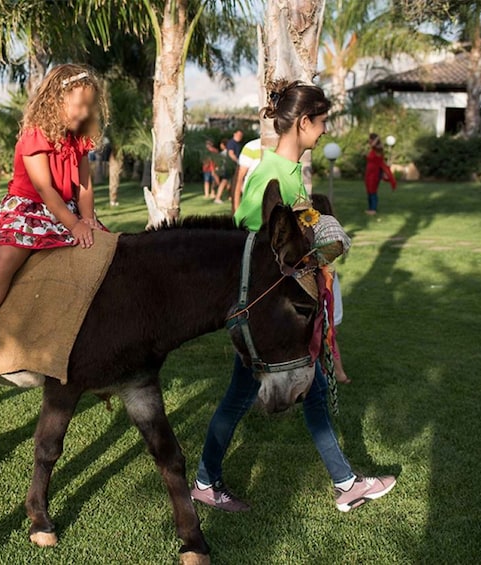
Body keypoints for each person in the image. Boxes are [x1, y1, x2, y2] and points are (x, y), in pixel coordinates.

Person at [191, 79, 396, 514]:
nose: (324, 132)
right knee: (266, 395)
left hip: (281, 313)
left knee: (277, 394)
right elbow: (253, 244)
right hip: (270, 318)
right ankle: (343, 484)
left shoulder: (285, 173)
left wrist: (320, 236)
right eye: (321, 123)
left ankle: (342, 483)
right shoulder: (271, 175)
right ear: (303, 122)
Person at [0, 63, 107, 371]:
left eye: (90, 107)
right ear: (57, 100)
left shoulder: (80, 139)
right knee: (8, 258)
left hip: (68, 209)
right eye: (79, 106)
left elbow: (85, 186)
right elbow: (45, 189)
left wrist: (87, 219)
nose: (85, 113)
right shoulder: (35, 136)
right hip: (31, 207)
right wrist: (73, 224)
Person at [311, 193, 350, 385]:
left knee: (326, 335)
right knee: (326, 334)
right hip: (328, 289)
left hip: (325, 292)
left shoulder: (322, 238)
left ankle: (338, 373)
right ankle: (330, 372)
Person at [364, 133, 396, 216]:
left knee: (373, 190)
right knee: (369, 190)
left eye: (370, 139)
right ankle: (370, 208)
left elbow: (373, 145)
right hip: (369, 172)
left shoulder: (378, 149)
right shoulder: (372, 150)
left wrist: (377, 137)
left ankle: (373, 209)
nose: (369, 141)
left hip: (375, 173)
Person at [231, 137, 263, 213]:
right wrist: (236, 210)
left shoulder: (291, 146)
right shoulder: (252, 146)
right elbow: (238, 179)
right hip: (252, 207)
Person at [212, 140, 232, 204]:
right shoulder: (226, 153)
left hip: (225, 169)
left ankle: (229, 196)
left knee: (229, 183)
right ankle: (218, 197)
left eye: (221, 144)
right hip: (226, 170)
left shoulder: (224, 153)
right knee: (224, 182)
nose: (220, 146)